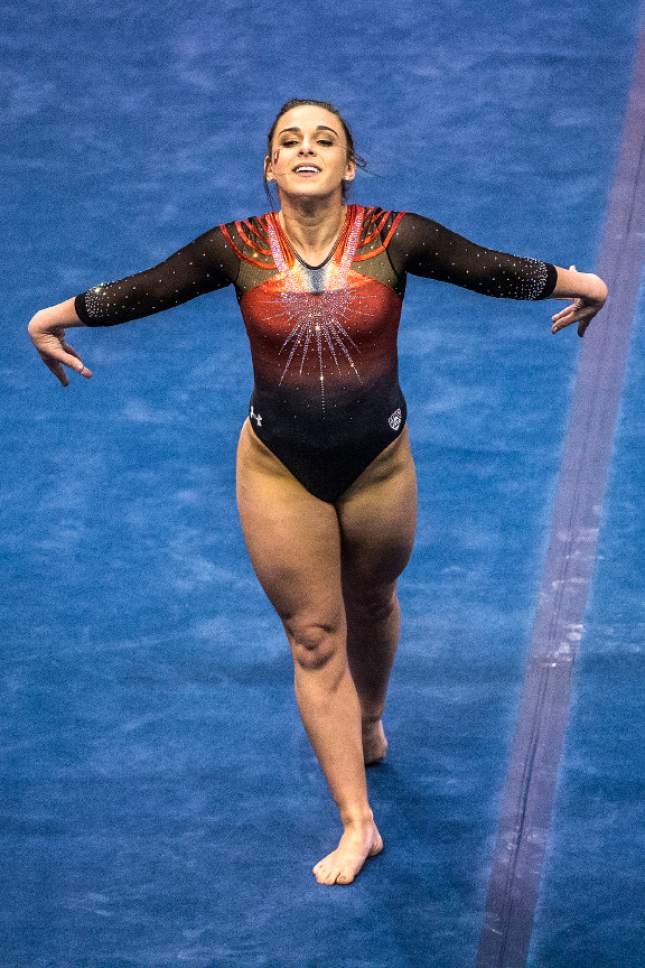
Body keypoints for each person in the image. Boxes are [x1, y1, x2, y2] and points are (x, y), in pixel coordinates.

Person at [28, 98, 609, 887]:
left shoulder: (395, 238)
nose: (306, 149)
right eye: (288, 141)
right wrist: (49, 318)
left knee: (371, 601)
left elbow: (492, 269)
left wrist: (587, 283)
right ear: (270, 167)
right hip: (278, 467)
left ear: (347, 166)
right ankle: (356, 820)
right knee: (313, 636)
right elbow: (143, 290)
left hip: (379, 464)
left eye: (323, 140)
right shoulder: (233, 248)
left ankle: (368, 717)